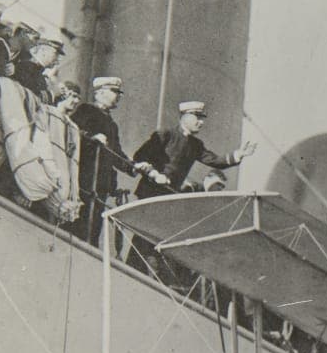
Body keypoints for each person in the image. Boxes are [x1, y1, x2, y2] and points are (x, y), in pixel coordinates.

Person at [128, 100, 255, 282]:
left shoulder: (195, 145)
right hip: (151, 192)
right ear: (184, 116)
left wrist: (237, 156)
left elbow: (215, 160)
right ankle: (135, 270)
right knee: (145, 234)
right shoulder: (166, 134)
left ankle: (143, 272)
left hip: (168, 197)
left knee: (155, 236)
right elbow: (140, 157)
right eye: (197, 117)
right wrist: (155, 174)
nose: (201, 122)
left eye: (202, 118)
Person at [70, 77, 156, 246]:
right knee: (78, 227)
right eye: (114, 91)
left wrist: (133, 167)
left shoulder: (111, 124)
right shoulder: (86, 110)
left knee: (93, 231)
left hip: (100, 186)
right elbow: (71, 132)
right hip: (83, 181)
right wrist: (91, 138)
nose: (118, 96)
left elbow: (115, 153)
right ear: (100, 92)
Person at [12, 28, 63, 103]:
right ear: (42, 50)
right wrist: (53, 94)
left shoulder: (38, 72)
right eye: (55, 54)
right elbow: (26, 97)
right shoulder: (25, 67)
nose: (58, 60)